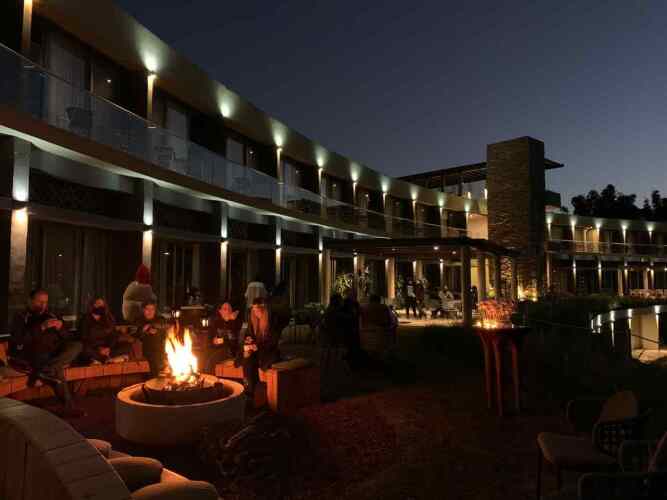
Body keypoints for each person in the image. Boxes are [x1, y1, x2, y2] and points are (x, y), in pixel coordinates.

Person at [9, 289, 83, 413]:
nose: (43, 305)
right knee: (56, 368)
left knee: (77, 345)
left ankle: (46, 370)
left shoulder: (51, 315)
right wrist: (42, 327)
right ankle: (69, 407)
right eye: (40, 302)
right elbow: (20, 340)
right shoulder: (20, 317)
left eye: (45, 302)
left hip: (53, 353)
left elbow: (68, 337)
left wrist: (60, 328)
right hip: (33, 353)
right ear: (30, 301)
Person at [235, 296, 288, 399]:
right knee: (247, 357)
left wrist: (258, 347)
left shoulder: (272, 321)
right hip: (255, 351)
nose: (256, 313)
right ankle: (248, 390)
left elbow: (273, 341)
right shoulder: (252, 320)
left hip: (268, 351)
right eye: (254, 310)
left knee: (251, 359)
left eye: (259, 310)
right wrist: (248, 340)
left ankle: (252, 390)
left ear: (265, 310)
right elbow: (248, 335)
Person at [79, 297, 133, 365]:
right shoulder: (85, 319)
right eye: (98, 303)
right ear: (92, 305)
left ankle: (102, 360)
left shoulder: (109, 318)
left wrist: (108, 347)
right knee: (84, 349)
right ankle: (109, 360)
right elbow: (84, 338)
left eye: (102, 304)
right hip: (94, 348)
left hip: (107, 348)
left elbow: (114, 335)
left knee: (127, 346)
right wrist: (99, 349)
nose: (101, 306)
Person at [202, 302, 242, 374]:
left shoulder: (236, 322)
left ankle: (209, 378)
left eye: (229, 309)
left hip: (229, 350)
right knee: (202, 356)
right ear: (220, 311)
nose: (227, 311)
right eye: (225, 309)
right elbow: (209, 338)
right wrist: (213, 341)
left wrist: (230, 320)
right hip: (216, 348)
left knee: (211, 361)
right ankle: (202, 376)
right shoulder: (216, 323)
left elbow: (233, 341)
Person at [135, 300, 167, 377]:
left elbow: (163, 327)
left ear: (155, 310)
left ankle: (158, 371)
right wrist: (146, 331)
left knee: (157, 336)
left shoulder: (160, 319)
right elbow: (136, 334)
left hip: (159, 352)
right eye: (147, 309)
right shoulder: (139, 320)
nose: (150, 311)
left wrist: (151, 327)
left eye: (152, 309)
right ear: (143, 310)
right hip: (145, 351)